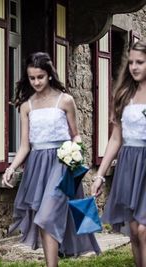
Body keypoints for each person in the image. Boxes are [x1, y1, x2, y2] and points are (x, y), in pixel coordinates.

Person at [2, 52, 100, 266]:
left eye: (40, 77)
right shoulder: (27, 106)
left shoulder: (65, 100)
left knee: (46, 215)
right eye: (32, 78)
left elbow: (76, 134)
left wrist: (75, 150)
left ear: (49, 75)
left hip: (62, 164)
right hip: (37, 165)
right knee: (44, 220)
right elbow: (25, 145)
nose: (36, 82)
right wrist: (11, 167)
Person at [91, 40, 146, 267]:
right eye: (131, 62)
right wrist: (100, 175)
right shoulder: (124, 94)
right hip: (129, 164)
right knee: (133, 230)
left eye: (140, 62)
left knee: (143, 229)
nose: (134, 67)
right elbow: (115, 138)